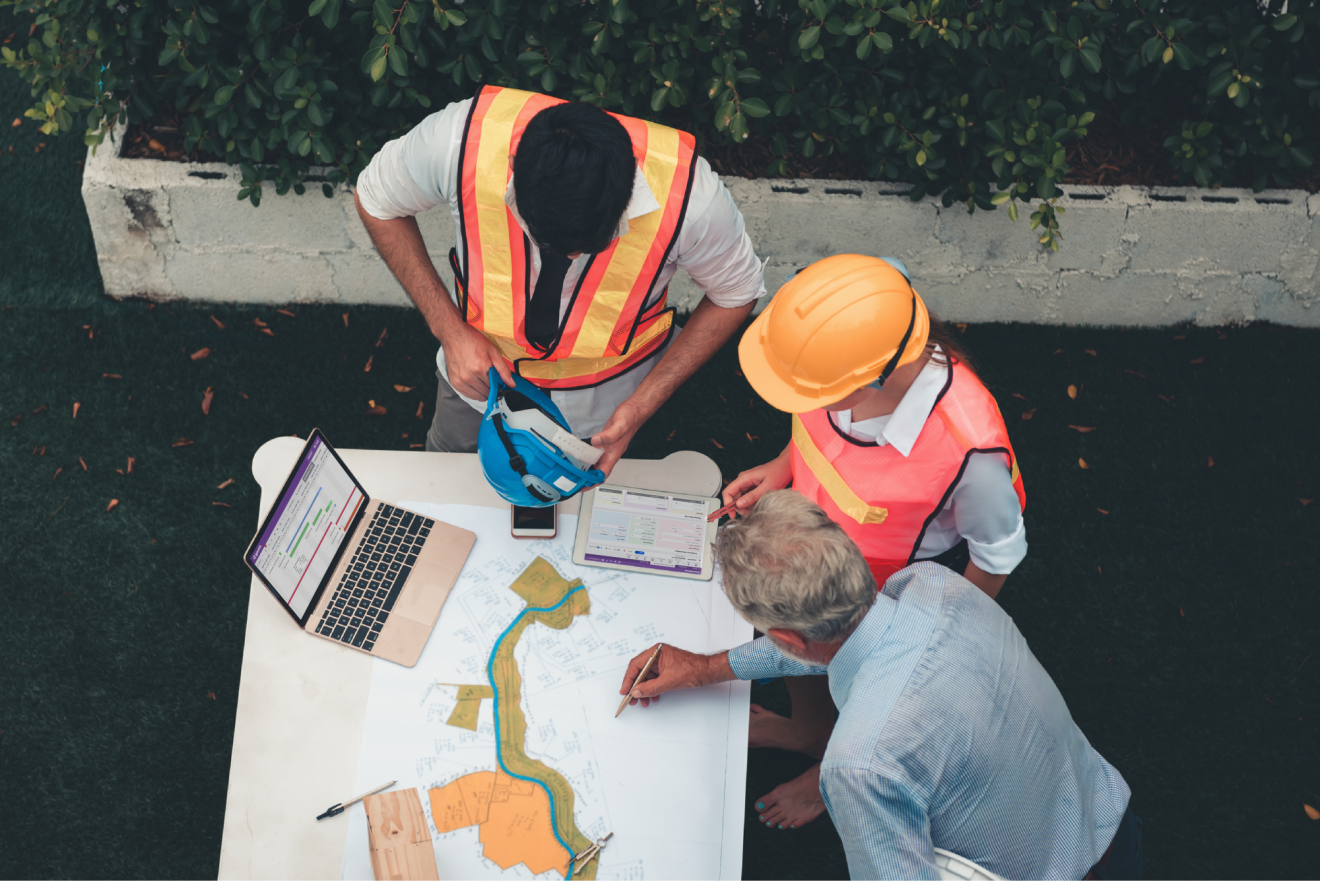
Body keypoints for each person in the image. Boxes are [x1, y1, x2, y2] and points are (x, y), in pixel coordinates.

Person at [620, 491, 1139, 881]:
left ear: (785, 639)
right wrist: (707, 669)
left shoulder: (859, 764)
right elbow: (848, 640)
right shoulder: (932, 585)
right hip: (1107, 812)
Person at [720, 253, 1028, 827]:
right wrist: (782, 466)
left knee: (872, 701)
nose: (799, 400)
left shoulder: (971, 453)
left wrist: (925, 643)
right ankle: (808, 730)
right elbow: (815, 426)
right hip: (808, 564)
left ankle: (825, 775)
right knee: (791, 639)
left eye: (808, 391)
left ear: (868, 382)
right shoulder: (855, 321)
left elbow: (998, 555)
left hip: (881, 606)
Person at [354, 87, 765, 473]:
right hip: (477, 386)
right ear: (513, 167)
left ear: (630, 187)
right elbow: (375, 200)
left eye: (590, 245)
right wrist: (450, 332)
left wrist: (642, 405)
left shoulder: (692, 197)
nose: (567, 257)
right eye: (547, 240)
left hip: (608, 403)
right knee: (445, 479)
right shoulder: (458, 142)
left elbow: (736, 292)